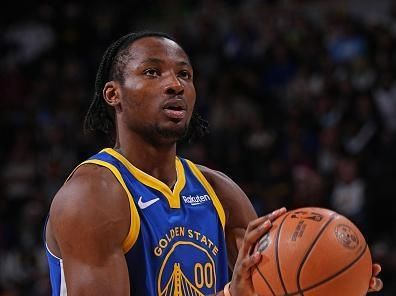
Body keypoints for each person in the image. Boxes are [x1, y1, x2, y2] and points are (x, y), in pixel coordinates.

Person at [44, 31, 383, 295]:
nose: (175, 84)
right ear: (113, 94)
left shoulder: (219, 192)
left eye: (185, 75)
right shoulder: (91, 196)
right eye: (152, 72)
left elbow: (271, 283)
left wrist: (331, 278)